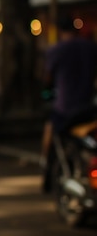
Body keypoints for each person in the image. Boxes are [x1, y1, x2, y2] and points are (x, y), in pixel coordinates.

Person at [41, 16, 97, 187]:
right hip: (89, 106)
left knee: (50, 129)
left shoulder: (57, 50)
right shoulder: (91, 47)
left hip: (66, 107)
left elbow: (47, 78)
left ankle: (46, 169)